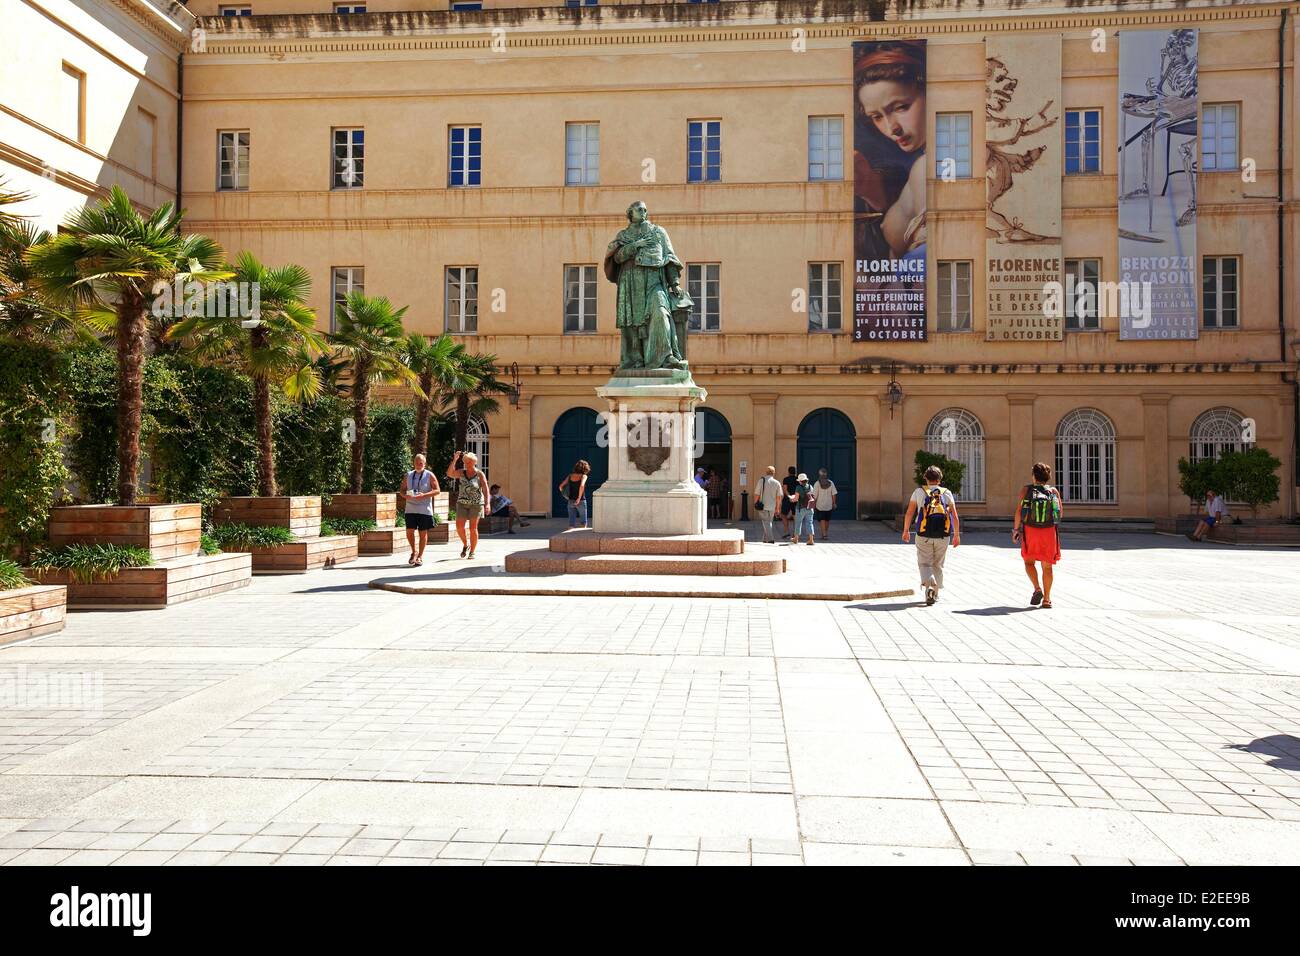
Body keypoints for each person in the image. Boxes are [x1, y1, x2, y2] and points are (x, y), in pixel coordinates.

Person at [901, 465, 960, 606]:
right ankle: (936, 592)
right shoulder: (947, 493)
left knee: (924, 563)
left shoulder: (919, 492)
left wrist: (906, 530)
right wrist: (956, 535)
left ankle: (929, 585)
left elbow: (910, 512)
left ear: (926, 478)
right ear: (939, 479)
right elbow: (955, 515)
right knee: (938, 564)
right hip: (943, 535)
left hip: (923, 534)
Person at [1012, 462, 1063, 609]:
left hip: (1031, 531)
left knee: (1029, 562)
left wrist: (1016, 530)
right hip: (1049, 532)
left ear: (1034, 476)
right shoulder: (1053, 491)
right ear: (1048, 476)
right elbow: (1059, 515)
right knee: (1047, 567)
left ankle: (1037, 588)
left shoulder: (1026, 490)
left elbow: (1019, 511)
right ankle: (1047, 599)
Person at [446, 449, 491, 559]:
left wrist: (487, 503)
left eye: (470, 462)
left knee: (473, 528)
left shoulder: (480, 474)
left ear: (475, 462)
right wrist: (455, 460)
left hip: (476, 504)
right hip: (462, 503)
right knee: (459, 526)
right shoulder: (462, 472)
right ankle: (466, 544)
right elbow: (450, 474)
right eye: (466, 462)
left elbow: (485, 489)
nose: (468, 464)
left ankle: (472, 552)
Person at [398, 453, 440, 567]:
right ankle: (414, 551)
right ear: (413, 463)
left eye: (421, 463)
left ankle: (420, 556)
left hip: (424, 509)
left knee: (423, 533)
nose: (419, 464)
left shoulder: (429, 475)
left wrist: (424, 495)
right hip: (410, 508)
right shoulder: (408, 475)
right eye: (417, 462)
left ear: (424, 464)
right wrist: (405, 496)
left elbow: (437, 490)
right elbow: (402, 490)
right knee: (409, 531)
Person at [558, 459, 591, 529]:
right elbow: (582, 486)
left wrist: (565, 495)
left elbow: (561, 486)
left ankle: (569, 536)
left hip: (571, 500)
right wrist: (579, 498)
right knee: (583, 522)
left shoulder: (570, 476)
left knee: (571, 523)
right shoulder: (584, 476)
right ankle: (582, 538)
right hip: (581, 500)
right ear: (585, 468)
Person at [753, 465, 780, 544]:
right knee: (768, 522)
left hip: (763, 505)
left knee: (766, 522)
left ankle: (771, 539)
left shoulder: (761, 481)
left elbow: (757, 494)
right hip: (772, 506)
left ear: (766, 472)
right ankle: (765, 539)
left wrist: (755, 503)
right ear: (774, 473)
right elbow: (779, 497)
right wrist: (777, 508)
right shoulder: (777, 483)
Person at [788, 472, 816, 546]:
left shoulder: (798, 487)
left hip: (800, 508)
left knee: (798, 523)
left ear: (800, 481)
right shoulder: (810, 486)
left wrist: (791, 499)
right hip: (810, 508)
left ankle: (796, 538)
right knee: (809, 523)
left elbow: (796, 498)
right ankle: (811, 539)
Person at [811, 468, 838, 541]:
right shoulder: (831, 483)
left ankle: (824, 534)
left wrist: (813, 505)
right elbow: (834, 494)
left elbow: (815, 496)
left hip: (820, 505)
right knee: (827, 520)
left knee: (822, 519)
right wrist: (834, 503)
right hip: (828, 505)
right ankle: (825, 533)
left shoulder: (817, 483)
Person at [780, 466, 799, 538]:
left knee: (783, 515)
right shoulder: (798, 479)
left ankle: (786, 531)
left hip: (787, 499)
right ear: (795, 472)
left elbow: (785, 489)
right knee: (795, 516)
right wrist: (794, 497)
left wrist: (789, 496)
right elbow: (799, 490)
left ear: (788, 472)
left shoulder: (786, 479)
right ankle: (795, 533)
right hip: (796, 499)